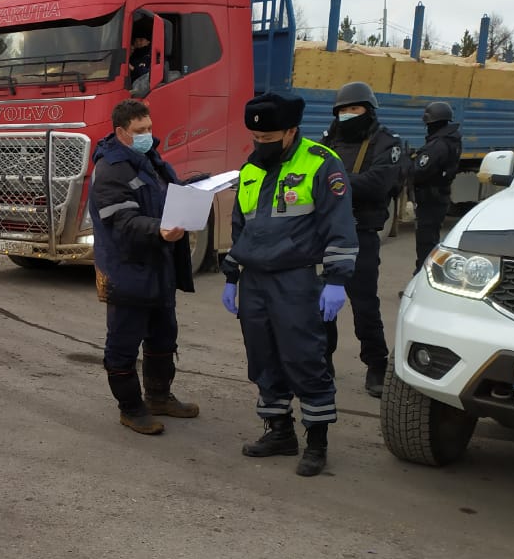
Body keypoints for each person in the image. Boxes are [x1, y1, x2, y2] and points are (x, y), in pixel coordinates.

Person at [221, 91, 358, 477]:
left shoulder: (320, 164)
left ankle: (317, 442)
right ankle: (279, 431)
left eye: (268, 139)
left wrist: (336, 281)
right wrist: (231, 274)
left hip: (298, 280)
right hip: (255, 282)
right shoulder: (251, 168)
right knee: (263, 359)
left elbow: (340, 227)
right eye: (255, 139)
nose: (260, 145)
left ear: (291, 131)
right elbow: (242, 228)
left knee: (305, 358)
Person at [90, 98, 197, 435]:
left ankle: (159, 396)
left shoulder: (150, 161)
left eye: (149, 128)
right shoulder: (110, 169)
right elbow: (121, 221)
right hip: (128, 272)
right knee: (122, 346)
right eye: (140, 131)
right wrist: (159, 230)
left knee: (164, 338)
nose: (147, 135)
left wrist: (203, 186)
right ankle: (131, 409)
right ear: (121, 132)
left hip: (159, 268)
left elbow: (168, 198)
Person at [321, 81, 402, 398]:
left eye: (354, 109)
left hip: (361, 234)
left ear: (368, 110)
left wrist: (335, 182)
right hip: (326, 233)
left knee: (364, 304)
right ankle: (322, 362)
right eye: (342, 109)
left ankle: (376, 364)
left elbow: (378, 183)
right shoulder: (328, 140)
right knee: (323, 304)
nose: (347, 115)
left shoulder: (386, 142)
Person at [410, 101, 462, 272]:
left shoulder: (438, 144)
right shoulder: (451, 139)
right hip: (439, 196)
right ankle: (420, 277)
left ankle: (421, 281)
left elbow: (419, 171)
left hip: (430, 199)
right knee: (429, 241)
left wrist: (408, 163)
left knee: (426, 244)